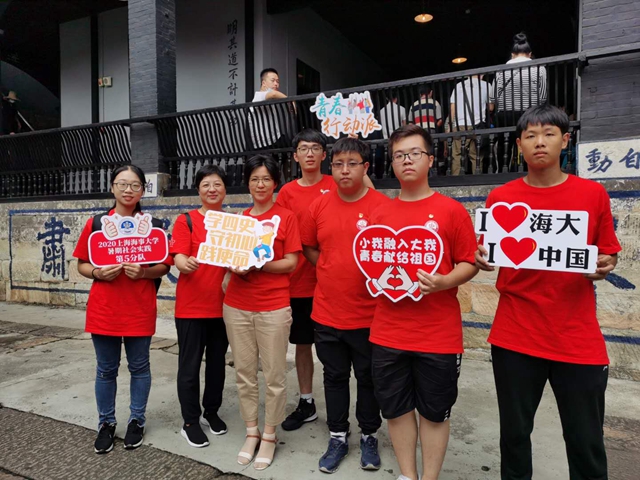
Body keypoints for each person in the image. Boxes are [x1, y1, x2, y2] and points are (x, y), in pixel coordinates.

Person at [475, 104, 621, 480]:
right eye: (530, 135)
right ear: (519, 145)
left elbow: (608, 253)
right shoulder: (500, 199)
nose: (539, 142)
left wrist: (604, 265)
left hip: (576, 337)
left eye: (549, 134)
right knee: (514, 437)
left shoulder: (592, 195)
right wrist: (481, 257)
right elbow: (487, 250)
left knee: (586, 440)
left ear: (565, 140)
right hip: (515, 335)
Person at [369, 124, 478, 480]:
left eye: (415, 153)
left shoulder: (451, 211)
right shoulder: (380, 215)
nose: (407, 160)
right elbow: (370, 264)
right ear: (392, 163)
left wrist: (445, 281)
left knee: (434, 412)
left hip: (438, 335)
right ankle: (408, 475)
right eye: (399, 155)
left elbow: (469, 262)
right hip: (388, 332)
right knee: (396, 409)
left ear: (430, 160)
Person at [300, 137, 390, 473]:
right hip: (327, 313)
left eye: (352, 163)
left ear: (365, 168)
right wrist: (328, 266)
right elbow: (309, 247)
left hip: (371, 315)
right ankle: (337, 436)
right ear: (331, 167)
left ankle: (369, 435)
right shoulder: (318, 206)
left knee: (369, 379)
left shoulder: (383, 207)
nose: (344, 170)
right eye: (338, 164)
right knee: (334, 377)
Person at [73, 165, 171, 454]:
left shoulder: (153, 226)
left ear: (143, 190)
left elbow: (164, 265)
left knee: (140, 367)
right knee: (106, 370)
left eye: (135, 185)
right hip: (104, 309)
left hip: (139, 307)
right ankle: (106, 423)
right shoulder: (96, 224)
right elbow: (81, 263)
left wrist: (143, 273)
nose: (129, 190)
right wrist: (97, 273)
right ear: (112, 187)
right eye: (122, 184)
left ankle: (136, 420)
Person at [223, 154, 301, 471]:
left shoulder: (286, 218)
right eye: (254, 179)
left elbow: (291, 262)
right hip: (237, 305)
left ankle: (270, 434)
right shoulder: (239, 220)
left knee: (274, 376)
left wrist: (260, 264)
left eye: (266, 179)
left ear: (275, 183)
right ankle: (251, 431)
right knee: (244, 373)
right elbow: (228, 258)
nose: (260, 184)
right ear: (248, 183)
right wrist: (234, 266)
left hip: (274, 306)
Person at [275, 129, 335, 431]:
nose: (309, 153)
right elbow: (280, 233)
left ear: (324, 155)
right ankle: (307, 401)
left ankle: (338, 411)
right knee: (302, 344)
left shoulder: (336, 183)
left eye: (315, 148)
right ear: (296, 156)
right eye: (303, 149)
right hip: (298, 283)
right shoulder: (287, 192)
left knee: (333, 349)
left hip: (332, 283)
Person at [170, 164, 230, 448]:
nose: (212, 189)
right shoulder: (187, 220)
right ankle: (190, 421)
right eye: (206, 185)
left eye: (217, 184)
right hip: (191, 307)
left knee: (217, 365)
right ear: (198, 190)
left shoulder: (234, 224)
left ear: (225, 189)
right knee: (189, 366)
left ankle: (211, 412)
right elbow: (178, 256)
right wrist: (185, 263)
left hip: (224, 308)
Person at [489, 32, 548, 171]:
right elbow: (543, 97)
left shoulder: (500, 71)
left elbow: (493, 98)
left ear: (512, 54)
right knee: (529, 143)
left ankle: (503, 171)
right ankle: (529, 171)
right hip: (529, 114)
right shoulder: (539, 68)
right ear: (530, 54)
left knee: (505, 145)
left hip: (505, 115)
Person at [449, 75, 491, 175]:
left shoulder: (459, 86)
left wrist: (450, 125)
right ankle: (477, 179)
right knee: (476, 156)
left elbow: (452, 108)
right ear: (482, 74)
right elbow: (491, 107)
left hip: (460, 124)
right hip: (477, 125)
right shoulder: (486, 85)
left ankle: (456, 179)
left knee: (457, 155)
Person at [250, 68, 290, 150]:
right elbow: (273, 94)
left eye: (277, 81)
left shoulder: (268, 99)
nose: (276, 84)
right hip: (265, 144)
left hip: (274, 140)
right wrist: (290, 101)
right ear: (263, 83)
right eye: (273, 80)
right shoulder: (259, 96)